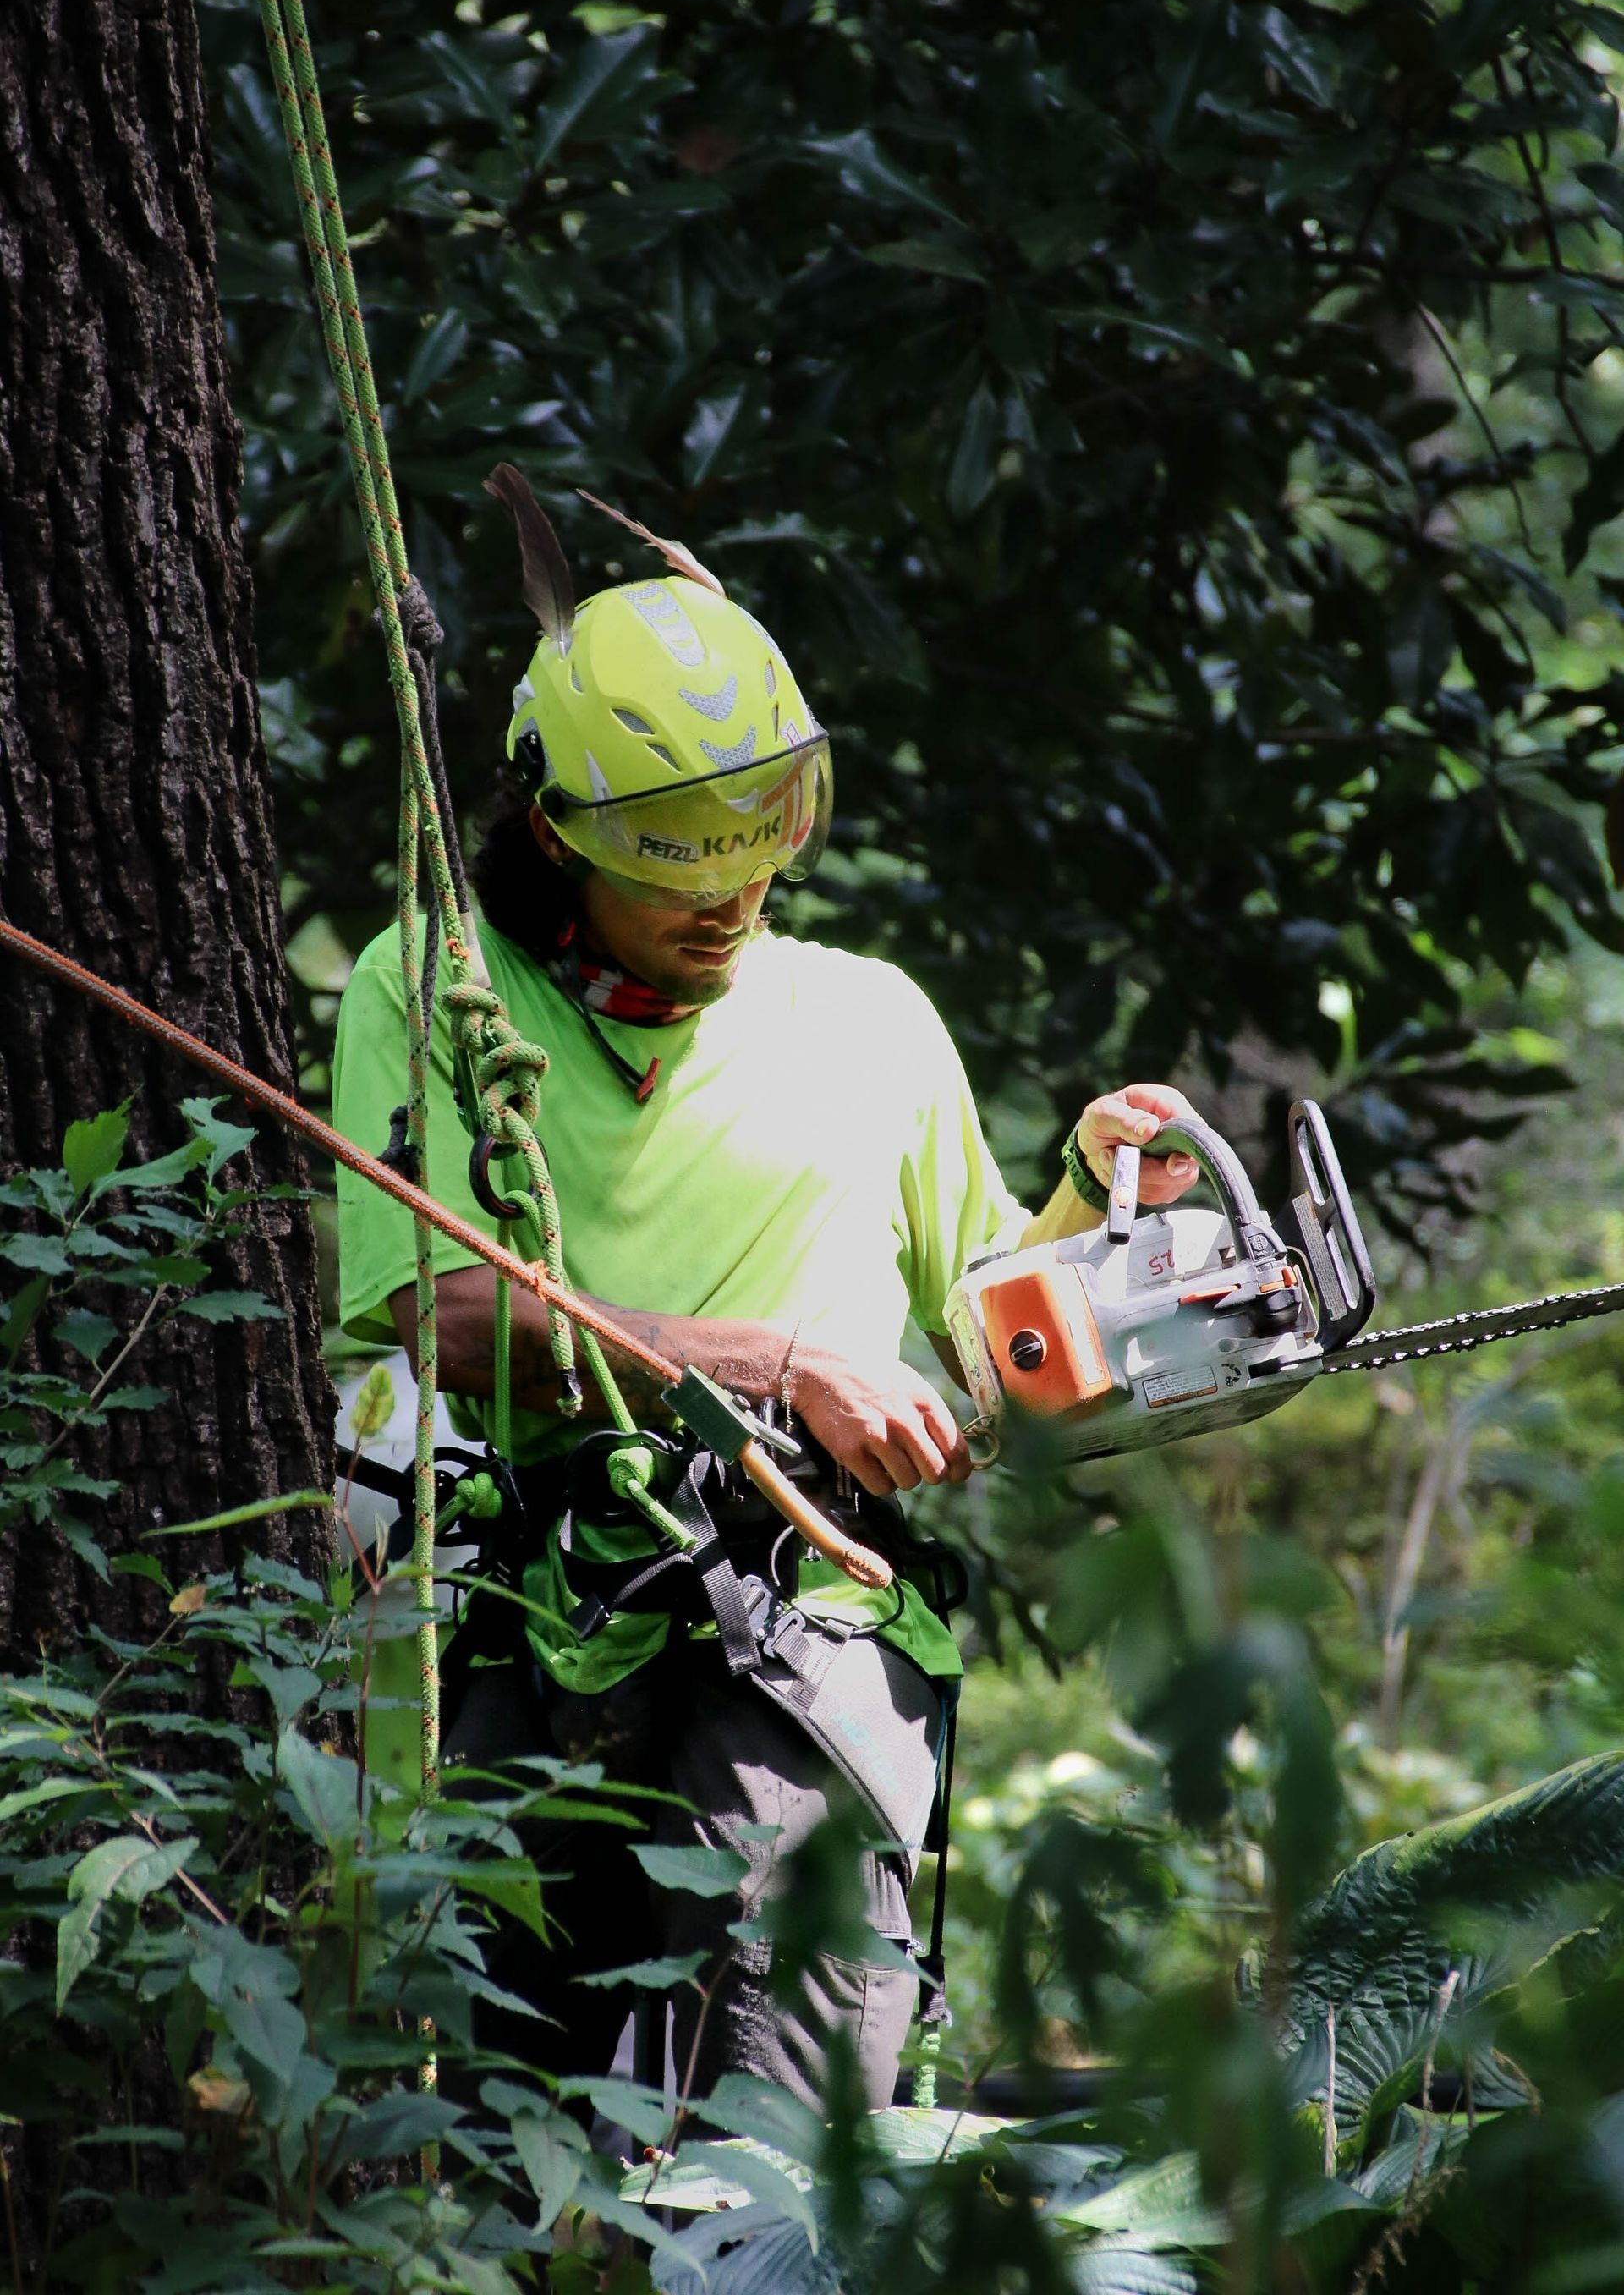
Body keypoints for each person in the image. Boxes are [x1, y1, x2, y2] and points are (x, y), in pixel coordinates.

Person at [331, 477, 1199, 2111]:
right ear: (555, 836)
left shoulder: (868, 1020)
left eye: (757, 861)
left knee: (785, 2099)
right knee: (497, 2099)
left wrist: (1102, 1201)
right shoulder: (440, 986)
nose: (731, 907)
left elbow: (982, 1335)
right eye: (680, 879)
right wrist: (769, 1365)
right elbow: (422, 1305)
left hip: (803, 1634)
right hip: (518, 1607)